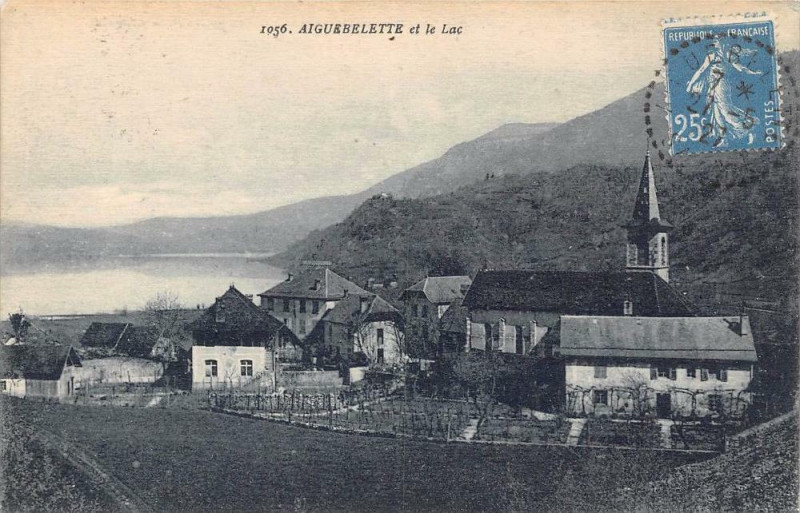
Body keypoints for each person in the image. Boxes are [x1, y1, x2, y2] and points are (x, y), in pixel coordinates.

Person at [686, 39, 764, 146]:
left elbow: (740, 68)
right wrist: (691, 84)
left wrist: (753, 73)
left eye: (717, 41)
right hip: (712, 85)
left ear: (723, 42)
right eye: (714, 42)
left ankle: (749, 127)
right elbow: (700, 70)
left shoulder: (729, 55)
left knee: (726, 112)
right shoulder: (711, 56)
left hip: (722, 85)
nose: (715, 43)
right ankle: (724, 139)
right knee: (717, 112)